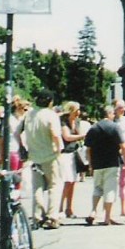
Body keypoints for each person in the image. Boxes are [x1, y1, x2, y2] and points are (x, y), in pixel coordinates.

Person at [19, 89, 63, 229]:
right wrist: (59, 149)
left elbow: (18, 132)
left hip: (34, 156)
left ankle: (38, 216)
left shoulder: (29, 115)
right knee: (54, 186)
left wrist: (23, 147)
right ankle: (52, 217)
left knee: (37, 187)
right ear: (50, 101)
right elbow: (55, 134)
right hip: (50, 155)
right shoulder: (51, 115)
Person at [84, 105, 125, 226]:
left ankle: (93, 211)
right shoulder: (115, 127)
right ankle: (107, 218)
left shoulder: (93, 128)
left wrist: (90, 164)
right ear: (110, 114)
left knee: (97, 188)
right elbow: (124, 146)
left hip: (97, 163)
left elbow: (88, 149)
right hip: (112, 162)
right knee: (110, 189)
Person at [59, 101, 88, 219]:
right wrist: (82, 136)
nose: (79, 113)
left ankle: (69, 208)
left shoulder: (77, 122)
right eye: (77, 110)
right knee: (67, 181)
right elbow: (67, 137)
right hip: (65, 153)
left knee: (73, 182)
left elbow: (77, 135)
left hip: (74, 153)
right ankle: (60, 208)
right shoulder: (62, 121)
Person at [113, 99, 125, 219]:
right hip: (113, 152)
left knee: (123, 182)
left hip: (124, 152)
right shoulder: (111, 121)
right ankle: (107, 209)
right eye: (120, 107)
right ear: (114, 108)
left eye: (124, 107)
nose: (123, 109)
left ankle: (123, 209)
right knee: (111, 181)